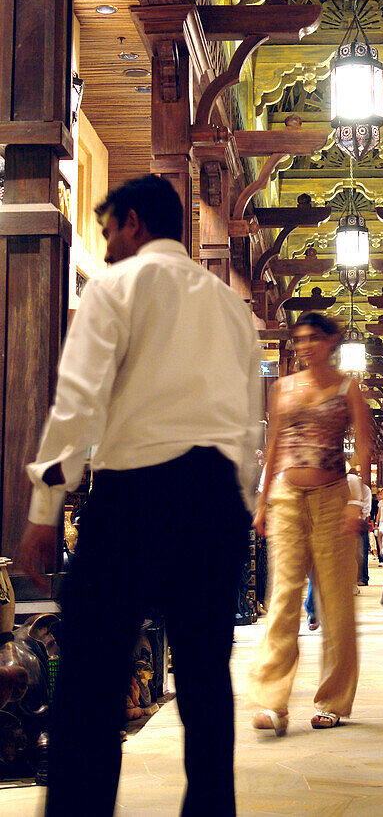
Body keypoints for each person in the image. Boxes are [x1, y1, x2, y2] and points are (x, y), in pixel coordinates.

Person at [17, 174, 262, 817]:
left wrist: (46, 509)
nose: (105, 250)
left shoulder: (117, 289)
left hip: (135, 497)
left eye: (107, 234)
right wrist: (238, 506)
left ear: (133, 222)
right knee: (207, 681)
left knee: (91, 678)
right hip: (215, 501)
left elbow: (77, 404)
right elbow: (247, 427)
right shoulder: (233, 309)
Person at [250, 312, 372, 734]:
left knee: (335, 599)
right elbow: (274, 445)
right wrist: (262, 502)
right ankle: (272, 700)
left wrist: (357, 503)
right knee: (283, 595)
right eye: (298, 339)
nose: (303, 346)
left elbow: (365, 448)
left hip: (333, 497)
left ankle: (334, 700)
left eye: (312, 339)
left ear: (331, 341)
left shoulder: (347, 387)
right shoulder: (283, 388)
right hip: (286, 496)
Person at [347, 468, 372, 586]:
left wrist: (360, 519)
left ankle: (362, 577)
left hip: (360, 523)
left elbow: (367, 507)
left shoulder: (365, 489)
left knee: (361, 552)